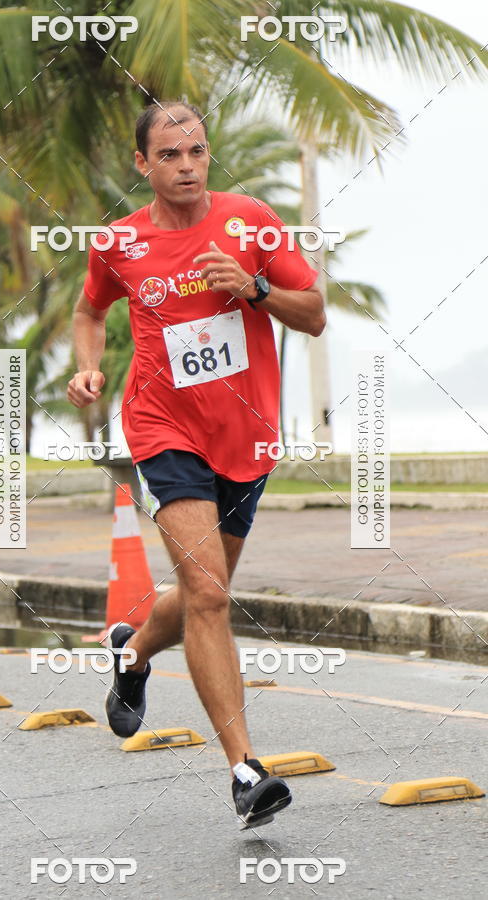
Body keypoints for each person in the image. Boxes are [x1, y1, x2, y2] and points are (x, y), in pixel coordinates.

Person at [68, 100, 325, 829]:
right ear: (142, 165)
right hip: (161, 426)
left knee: (201, 593)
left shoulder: (250, 222)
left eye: (197, 152)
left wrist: (256, 289)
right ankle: (245, 770)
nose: (187, 166)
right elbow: (90, 311)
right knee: (209, 594)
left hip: (245, 435)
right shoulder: (119, 243)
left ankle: (132, 652)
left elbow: (315, 312)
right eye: (171, 155)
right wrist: (88, 368)